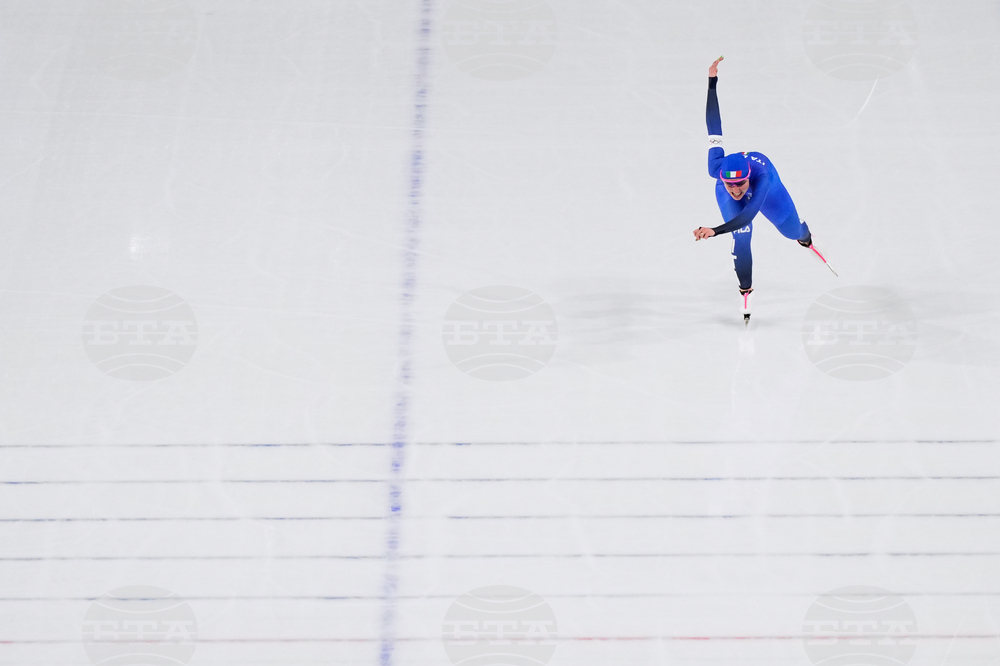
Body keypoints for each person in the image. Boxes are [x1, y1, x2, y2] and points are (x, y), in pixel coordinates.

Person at [693, 56, 835, 324]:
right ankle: (746, 291)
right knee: (742, 235)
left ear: (749, 178)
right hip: (740, 188)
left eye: (740, 184)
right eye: (730, 185)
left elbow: (748, 213)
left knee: (790, 232)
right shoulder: (716, 168)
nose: (736, 191)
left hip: (769, 194)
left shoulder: (763, 179)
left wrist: (714, 230)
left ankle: (807, 238)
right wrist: (712, 82)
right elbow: (714, 127)